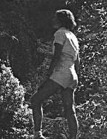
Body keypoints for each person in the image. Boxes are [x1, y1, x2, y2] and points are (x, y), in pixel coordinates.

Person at [30, 9, 80, 139]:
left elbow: (56, 56)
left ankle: (37, 134)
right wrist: (75, 78)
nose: (53, 20)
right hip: (72, 74)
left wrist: (48, 75)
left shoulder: (59, 33)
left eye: (55, 18)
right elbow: (77, 60)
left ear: (60, 20)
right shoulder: (73, 36)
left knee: (35, 100)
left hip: (61, 72)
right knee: (70, 109)